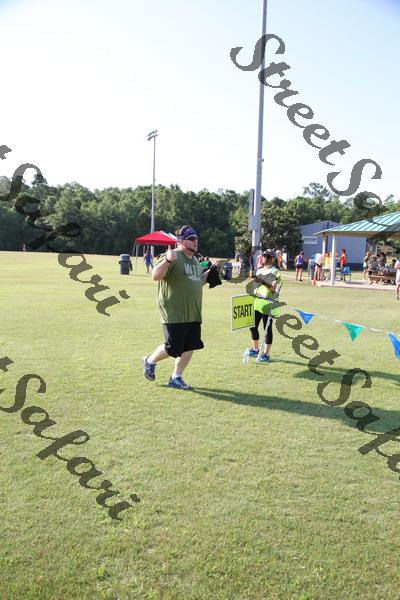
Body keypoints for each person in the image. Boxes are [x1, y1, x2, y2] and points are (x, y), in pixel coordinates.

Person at [142, 225, 210, 390]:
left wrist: (211, 273)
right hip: (174, 311)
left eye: (196, 239)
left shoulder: (195, 260)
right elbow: (155, 276)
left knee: (190, 346)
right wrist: (167, 261)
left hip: (193, 312)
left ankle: (176, 377)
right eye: (191, 239)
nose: (195, 241)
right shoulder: (173, 255)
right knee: (173, 347)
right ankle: (150, 360)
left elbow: (197, 282)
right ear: (181, 241)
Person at [247, 249, 283, 362]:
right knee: (252, 327)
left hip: (268, 304)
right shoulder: (259, 270)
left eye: (268, 256)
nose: (265, 258)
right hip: (257, 303)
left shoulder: (275, 272)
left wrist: (262, 281)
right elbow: (254, 285)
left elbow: (272, 288)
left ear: (272, 258)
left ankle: (266, 354)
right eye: (264, 256)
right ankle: (255, 349)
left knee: (267, 329)